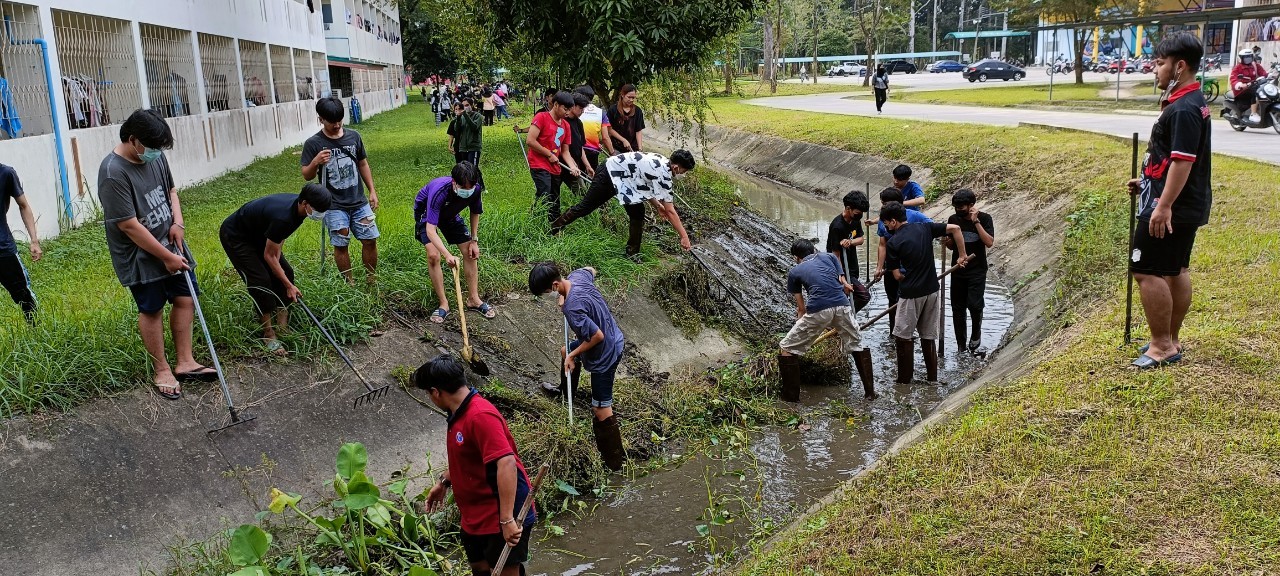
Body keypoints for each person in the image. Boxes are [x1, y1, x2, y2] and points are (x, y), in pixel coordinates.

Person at [99, 109, 214, 399]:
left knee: (186, 297)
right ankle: (161, 368)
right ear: (133, 139)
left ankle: (185, 361)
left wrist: (178, 223)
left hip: (171, 242)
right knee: (152, 308)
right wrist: (164, 256)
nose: (156, 153)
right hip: (140, 255)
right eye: (152, 147)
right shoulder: (113, 172)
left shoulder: (155, 155)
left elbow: (171, 190)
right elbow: (128, 225)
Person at [1127, 31, 1212, 370]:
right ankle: (1170, 340)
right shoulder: (1191, 102)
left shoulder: (1184, 110)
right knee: (1175, 269)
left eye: (1160, 63)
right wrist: (1147, 180)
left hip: (1171, 208)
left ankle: (1162, 346)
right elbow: (1171, 158)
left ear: (1179, 67)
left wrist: (1162, 205)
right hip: (1180, 202)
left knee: (1145, 270)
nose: (1155, 69)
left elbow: (1183, 161)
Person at [415, 354, 538, 576]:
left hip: (501, 512)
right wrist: (443, 482)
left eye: (428, 393)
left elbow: (507, 463)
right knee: (480, 569)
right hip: (475, 515)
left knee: (505, 572)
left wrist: (508, 519)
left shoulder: (480, 415)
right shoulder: (457, 413)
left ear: (436, 392)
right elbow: (467, 458)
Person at [528, 263, 627, 470]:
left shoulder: (573, 308)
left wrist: (574, 355)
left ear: (554, 285)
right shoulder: (577, 278)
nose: (548, 296)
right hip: (612, 334)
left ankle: (615, 464)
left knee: (600, 409)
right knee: (566, 352)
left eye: (547, 292)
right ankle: (567, 395)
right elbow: (592, 269)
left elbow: (596, 337)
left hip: (605, 351)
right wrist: (563, 295)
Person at [220, 184, 332, 354]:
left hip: (259, 233)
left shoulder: (299, 211)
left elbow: (279, 240)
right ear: (304, 203)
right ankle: (268, 334)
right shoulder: (284, 217)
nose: (320, 214)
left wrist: (281, 273)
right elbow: (269, 255)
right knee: (260, 280)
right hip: (237, 236)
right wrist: (288, 285)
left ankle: (282, 327)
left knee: (286, 273)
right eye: (318, 209)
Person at [881, 202, 969, 384]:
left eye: (886, 224)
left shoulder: (894, 242)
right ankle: (932, 379)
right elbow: (956, 228)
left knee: (902, 337)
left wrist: (907, 276)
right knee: (928, 336)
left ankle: (904, 381)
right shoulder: (925, 227)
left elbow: (896, 275)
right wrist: (962, 255)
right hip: (932, 291)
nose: (886, 227)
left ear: (894, 221)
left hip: (911, 294)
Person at [777, 239, 876, 401]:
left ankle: (790, 400)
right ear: (813, 251)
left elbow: (801, 309)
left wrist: (801, 329)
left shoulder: (795, 272)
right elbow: (843, 282)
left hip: (818, 309)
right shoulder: (830, 257)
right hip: (843, 306)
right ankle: (870, 394)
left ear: (796, 257)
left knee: (787, 348)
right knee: (856, 345)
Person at [550, 150, 694, 259]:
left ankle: (632, 254)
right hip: (609, 174)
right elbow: (671, 211)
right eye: (684, 171)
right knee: (586, 207)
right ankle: (553, 229)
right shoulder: (663, 174)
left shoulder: (662, 161)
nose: (684, 174)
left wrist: (657, 206)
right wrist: (684, 236)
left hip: (626, 182)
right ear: (675, 167)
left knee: (638, 213)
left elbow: (643, 185)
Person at [301, 96, 380, 286]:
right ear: (321, 119)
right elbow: (306, 175)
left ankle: (371, 279)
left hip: (359, 201)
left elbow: (362, 163)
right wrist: (316, 162)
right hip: (334, 204)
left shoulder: (354, 137)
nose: (336, 125)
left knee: (370, 240)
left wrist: (372, 190)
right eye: (331, 122)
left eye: (339, 120)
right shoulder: (313, 143)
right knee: (341, 243)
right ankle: (349, 282)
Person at [414, 161, 497, 325]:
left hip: (450, 215)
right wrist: (447, 255)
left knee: (470, 253)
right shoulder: (439, 191)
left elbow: (475, 212)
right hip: (427, 216)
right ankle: (443, 303)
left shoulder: (475, 189)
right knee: (433, 255)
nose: (468, 191)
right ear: (454, 182)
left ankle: (473, 299)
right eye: (464, 188)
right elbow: (431, 230)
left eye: (470, 187)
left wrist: (474, 240)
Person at [870, 187, 933, 334]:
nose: (882, 206)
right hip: (891, 268)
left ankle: (911, 333)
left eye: (885, 203)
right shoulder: (882, 220)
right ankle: (894, 334)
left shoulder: (916, 217)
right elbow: (882, 244)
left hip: (911, 270)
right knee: (893, 302)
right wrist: (879, 267)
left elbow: (930, 231)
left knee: (911, 302)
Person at [942, 189, 995, 355]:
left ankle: (976, 334)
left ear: (971, 206)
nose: (959, 211)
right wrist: (947, 241)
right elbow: (951, 246)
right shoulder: (953, 219)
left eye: (962, 208)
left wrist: (976, 221)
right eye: (956, 207)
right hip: (958, 269)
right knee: (957, 308)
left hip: (977, 269)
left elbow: (989, 242)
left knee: (974, 304)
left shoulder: (985, 218)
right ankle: (960, 345)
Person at [515, 91, 580, 224]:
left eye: (569, 110)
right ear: (556, 105)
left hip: (554, 167)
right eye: (565, 109)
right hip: (538, 163)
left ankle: (555, 226)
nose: (567, 113)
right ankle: (534, 222)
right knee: (544, 192)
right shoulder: (541, 117)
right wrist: (549, 154)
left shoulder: (566, 125)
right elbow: (530, 141)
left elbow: (565, 151)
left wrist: (573, 166)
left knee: (555, 198)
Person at [0, 163, 41, 324]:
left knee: (24, 295)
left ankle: (37, 334)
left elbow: (23, 205)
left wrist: (34, 240)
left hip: (3, 249)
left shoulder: (6, 173)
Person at [825, 189, 871, 311]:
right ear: (848, 208)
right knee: (864, 296)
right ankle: (845, 319)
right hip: (841, 269)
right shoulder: (837, 226)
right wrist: (843, 279)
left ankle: (842, 321)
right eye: (857, 213)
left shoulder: (855, 220)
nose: (859, 216)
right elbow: (836, 255)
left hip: (852, 267)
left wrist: (850, 242)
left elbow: (861, 239)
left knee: (845, 299)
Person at [447, 98, 485, 188]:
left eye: (467, 105)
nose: (465, 107)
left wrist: (465, 115)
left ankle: (480, 186)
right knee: (464, 168)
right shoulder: (461, 117)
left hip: (473, 146)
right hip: (463, 147)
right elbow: (457, 130)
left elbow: (474, 127)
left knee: (473, 167)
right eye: (463, 105)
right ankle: (468, 185)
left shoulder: (478, 116)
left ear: (472, 105)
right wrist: (459, 117)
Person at [574, 86, 614, 169]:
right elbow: (605, 137)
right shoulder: (601, 112)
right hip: (593, 150)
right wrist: (612, 153)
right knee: (593, 178)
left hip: (576, 149)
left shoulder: (575, 110)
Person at [562, 93, 594, 193]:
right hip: (561, 164)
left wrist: (588, 166)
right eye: (580, 108)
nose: (582, 111)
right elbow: (558, 145)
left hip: (574, 167)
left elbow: (580, 147)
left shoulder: (578, 123)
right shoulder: (562, 121)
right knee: (549, 193)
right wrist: (570, 161)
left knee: (582, 193)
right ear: (572, 106)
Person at [1229, 47, 1267, 124]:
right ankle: (1253, 114)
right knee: (1255, 92)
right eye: (1246, 57)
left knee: (1264, 90)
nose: (1248, 58)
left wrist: (1272, 75)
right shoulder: (1237, 68)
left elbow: (1264, 73)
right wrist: (1240, 84)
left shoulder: (1255, 65)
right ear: (1241, 58)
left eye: (1249, 56)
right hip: (1241, 90)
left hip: (1254, 85)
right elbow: (1233, 78)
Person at [606, 84, 645, 153]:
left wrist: (640, 148)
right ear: (622, 95)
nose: (631, 100)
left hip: (633, 148)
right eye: (629, 97)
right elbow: (609, 129)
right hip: (616, 147)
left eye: (633, 98)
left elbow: (638, 130)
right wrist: (623, 140)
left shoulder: (638, 111)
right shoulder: (613, 110)